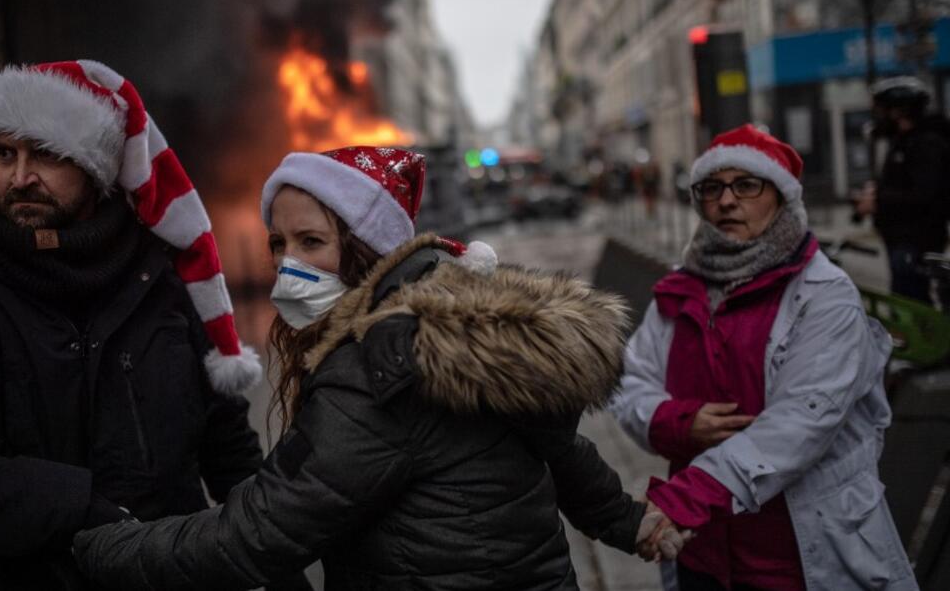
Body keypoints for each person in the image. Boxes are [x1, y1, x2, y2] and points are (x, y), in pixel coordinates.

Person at [71, 145, 681, 590]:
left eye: (312, 242)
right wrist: (628, 522)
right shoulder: (451, 326)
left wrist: (102, 548)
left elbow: (257, 534)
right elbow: (557, 444)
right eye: (278, 244)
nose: (288, 265)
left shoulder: (380, 367)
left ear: (369, 249)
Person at [0, 59, 309, 590]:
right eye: (4, 153)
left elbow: (227, 451)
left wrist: (282, 573)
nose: (20, 177)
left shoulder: (162, 282)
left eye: (46, 153)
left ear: (96, 164)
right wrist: (70, 505)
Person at [613, 125, 917, 590]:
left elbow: (798, 425)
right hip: (704, 556)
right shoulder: (682, 289)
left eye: (747, 184)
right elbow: (631, 379)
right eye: (712, 187)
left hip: (798, 559)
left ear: (781, 196)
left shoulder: (825, 295)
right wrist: (676, 421)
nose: (727, 200)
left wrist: (683, 500)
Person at [854, 76, 950, 304]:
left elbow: (925, 195)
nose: (878, 117)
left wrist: (879, 199)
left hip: (916, 241)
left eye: (881, 110)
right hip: (900, 239)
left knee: (912, 304)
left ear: (899, 111)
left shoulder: (926, 143)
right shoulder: (902, 142)